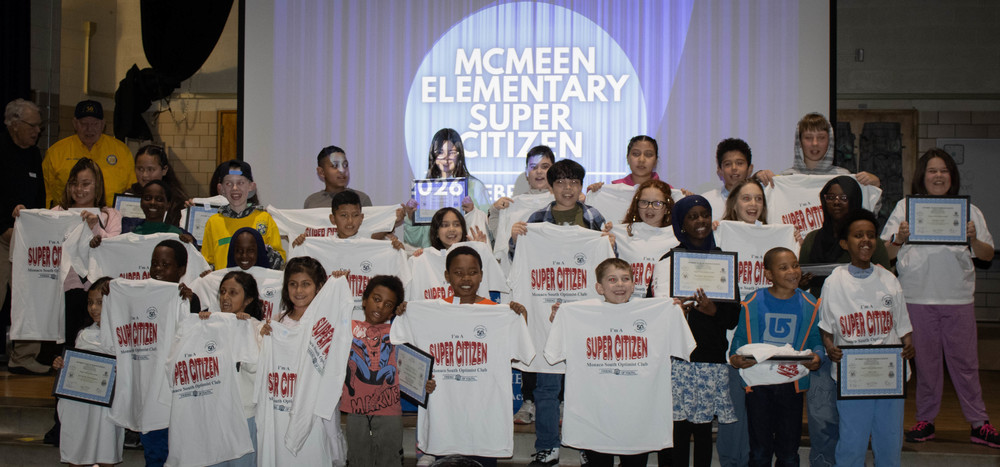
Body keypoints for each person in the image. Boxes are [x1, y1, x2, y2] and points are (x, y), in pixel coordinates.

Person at [882, 148, 998, 448]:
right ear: (922, 176)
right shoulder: (905, 207)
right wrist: (900, 237)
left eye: (944, 170)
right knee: (927, 365)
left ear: (952, 176)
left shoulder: (969, 212)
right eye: (932, 170)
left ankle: (978, 423)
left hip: (957, 300)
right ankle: (926, 420)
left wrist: (972, 238)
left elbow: (987, 255)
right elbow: (885, 254)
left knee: (966, 365)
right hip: (917, 299)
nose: (938, 175)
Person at [509, 158, 612, 467]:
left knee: (584, 385)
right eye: (561, 182)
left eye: (574, 182)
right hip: (545, 317)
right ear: (550, 187)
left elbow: (609, 266)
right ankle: (548, 447)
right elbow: (518, 264)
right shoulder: (536, 219)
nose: (568, 188)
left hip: (585, 317)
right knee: (546, 386)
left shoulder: (593, 217)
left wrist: (609, 243)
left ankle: (587, 445)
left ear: (582, 187)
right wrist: (515, 240)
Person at [795, 175, 889, 466]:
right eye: (830, 197)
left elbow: (883, 286)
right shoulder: (812, 239)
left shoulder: (871, 241)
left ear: (855, 200)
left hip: (859, 338)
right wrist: (804, 281)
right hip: (820, 331)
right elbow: (799, 286)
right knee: (821, 411)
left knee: (853, 413)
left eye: (843, 197)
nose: (836, 202)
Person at [414, 246, 527, 467]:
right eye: (458, 272)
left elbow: (517, 355)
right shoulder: (429, 312)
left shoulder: (497, 312)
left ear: (482, 275)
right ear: (446, 276)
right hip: (445, 422)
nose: (466, 278)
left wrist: (519, 320)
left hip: (484, 423)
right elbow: (410, 359)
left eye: (473, 272)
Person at [648, 195, 739, 467]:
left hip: (710, 357)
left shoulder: (723, 261)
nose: (700, 221)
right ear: (681, 224)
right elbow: (650, 312)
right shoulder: (667, 261)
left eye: (704, 215)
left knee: (702, 433)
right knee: (674, 431)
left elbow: (733, 317)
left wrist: (714, 311)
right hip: (676, 359)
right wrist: (676, 311)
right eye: (692, 216)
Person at [819, 209, 914, 466]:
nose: (865, 240)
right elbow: (825, 327)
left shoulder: (889, 279)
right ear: (844, 243)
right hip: (853, 375)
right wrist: (829, 346)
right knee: (852, 439)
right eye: (858, 235)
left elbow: (904, 326)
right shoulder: (834, 281)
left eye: (871, 235)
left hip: (888, 374)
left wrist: (908, 346)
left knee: (890, 439)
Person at [547, 258, 657, 466]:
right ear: (599, 287)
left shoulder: (652, 314)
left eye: (625, 279)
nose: (620, 284)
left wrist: (673, 311)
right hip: (595, 414)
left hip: (637, 413)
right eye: (612, 279)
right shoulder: (581, 314)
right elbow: (555, 352)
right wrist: (560, 321)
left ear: (634, 285)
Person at [729, 247, 824, 467]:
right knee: (760, 449)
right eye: (783, 267)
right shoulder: (752, 301)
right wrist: (735, 358)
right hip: (759, 386)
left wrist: (818, 356)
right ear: (769, 275)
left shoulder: (810, 303)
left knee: (789, 450)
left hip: (791, 385)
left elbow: (815, 339)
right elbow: (740, 339)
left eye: (795, 265)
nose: (793, 271)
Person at [342, 275, 436, 467]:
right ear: (364, 299)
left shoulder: (399, 333)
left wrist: (425, 382)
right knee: (357, 460)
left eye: (388, 304)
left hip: (389, 413)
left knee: (390, 460)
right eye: (376, 299)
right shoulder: (348, 329)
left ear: (394, 310)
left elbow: (416, 367)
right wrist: (336, 285)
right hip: (355, 412)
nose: (380, 307)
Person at [49, 158, 122, 353]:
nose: (79, 189)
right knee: (67, 343)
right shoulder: (57, 212)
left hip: (96, 289)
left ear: (97, 186)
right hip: (65, 287)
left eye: (86, 184)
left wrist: (95, 226)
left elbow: (113, 246)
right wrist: (22, 214)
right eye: (74, 183)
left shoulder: (111, 215)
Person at [51, 276, 124, 466]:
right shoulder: (83, 335)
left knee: (106, 453)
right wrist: (61, 365)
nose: (93, 308)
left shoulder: (123, 337)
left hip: (106, 408)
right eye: (90, 302)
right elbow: (73, 368)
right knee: (77, 453)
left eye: (100, 302)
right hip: (79, 407)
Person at [195, 270, 261, 467]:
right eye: (223, 291)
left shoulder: (257, 328)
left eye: (233, 293)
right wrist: (202, 328)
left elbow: (256, 368)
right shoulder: (209, 325)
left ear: (248, 299)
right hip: (214, 411)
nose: (225, 297)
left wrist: (244, 331)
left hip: (243, 414)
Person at [2, 99, 48, 375]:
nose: (37, 131)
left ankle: (24, 355)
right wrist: (3, 227)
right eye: (33, 126)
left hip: (29, 241)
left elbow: (39, 195)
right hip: (2, 236)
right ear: (14, 124)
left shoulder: (33, 154)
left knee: (31, 297)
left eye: (40, 127)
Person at [403, 128, 490, 248]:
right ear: (433, 154)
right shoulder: (424, 189)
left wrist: (472, 213)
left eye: (451, 152)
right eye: (440, 152)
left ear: (460, 154)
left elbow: (488, 230)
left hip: (465, 257)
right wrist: (410, 218)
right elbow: (414, 241)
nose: (446, 158)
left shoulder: (475, 186)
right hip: (433, 258)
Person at [42, 100, 136, 208]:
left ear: (103, 124)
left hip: (109, 218)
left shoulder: (121, 151)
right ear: (75, 123)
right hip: (67, 218)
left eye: (94, 124)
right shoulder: (56, 152)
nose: (89, 129)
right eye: (84, 124)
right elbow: (45, 192)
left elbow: (131, 191)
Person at [754, 113, 880, 188]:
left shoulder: (844, 177)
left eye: (821, 138)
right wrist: (758, 178)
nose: (815, 143)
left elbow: (865, 212)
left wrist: (873, 185)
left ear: (829, 141)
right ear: (799, 142)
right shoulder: (786, 178)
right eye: (808, 138)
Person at [201, 160, 285, 270]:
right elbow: (207, 262)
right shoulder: (213, 222)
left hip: (256, 285)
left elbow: (280, 262)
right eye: (228, 183)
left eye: (240, 183)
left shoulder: (264, 219)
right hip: (225, 285)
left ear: (251, 186)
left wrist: (264, 250)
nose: (234, 188)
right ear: (221, 189)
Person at [292, 190, 403, 249]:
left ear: (361, 218)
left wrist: (396, 249)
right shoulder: (322, 244)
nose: (350, 221)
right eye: (344, 215)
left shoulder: (368, 242)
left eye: (355, 215)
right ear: (333, 219)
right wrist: (300, 245)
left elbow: (379, 237)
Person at [489, 144, 554, 236]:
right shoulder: (512, 205)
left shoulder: (563, 202)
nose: (539, 171)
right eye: (534, 167)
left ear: (553, 170)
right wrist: (495, 211)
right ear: (527, 172)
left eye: (545, 167)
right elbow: (500, 241)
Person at [124, 144, 188, 227]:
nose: (145, 175)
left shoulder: (177, 202)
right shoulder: (127, 196)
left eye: (150, 169)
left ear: (164, 170)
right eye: (140, 169)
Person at [303, 145, 373, 209]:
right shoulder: (312, 202)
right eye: (335, 166)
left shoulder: (361, 199)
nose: (342, 170)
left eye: (345, 165)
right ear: (321, 172)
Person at [587, 135, 663, 192]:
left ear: (656, 161)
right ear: (628, 158)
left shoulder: (667, 191)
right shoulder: (614, 189)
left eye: (648, 154)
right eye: (636, 154)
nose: (641, 160)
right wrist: (594, 193)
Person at [702, 138, 755, 220]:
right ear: (720, 171)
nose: (734, 168)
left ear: (750, 169)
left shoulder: (759, 201)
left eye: (739, 163)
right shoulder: (706, 201)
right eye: (728, 164)